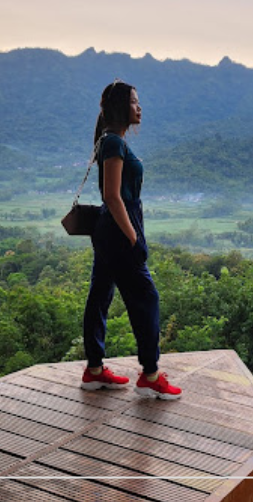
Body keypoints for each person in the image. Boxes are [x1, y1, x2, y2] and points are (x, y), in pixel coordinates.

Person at [79, 80, 181, 400]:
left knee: (100, 295)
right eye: (135, 102)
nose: (140, 107)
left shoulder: (111, 140)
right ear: (122, 106)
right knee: (146, 298)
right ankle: (150, 374)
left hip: (108, 232)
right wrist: (133, 236)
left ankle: (94, 370)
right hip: (119, 230)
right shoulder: (114, 143)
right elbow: (112, 195)